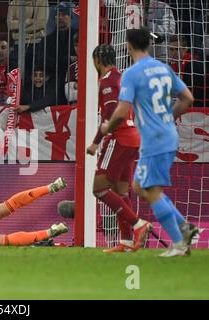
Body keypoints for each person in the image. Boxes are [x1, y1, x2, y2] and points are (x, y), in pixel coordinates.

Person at [101, 27, 198, 257]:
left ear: (128, 46)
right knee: (138, 187)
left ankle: (179, 243)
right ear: (149, 45)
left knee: (150, 191)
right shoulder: (164, 69)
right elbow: (188, 98)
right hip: (165, 134)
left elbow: (122, 110)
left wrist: (107, 127)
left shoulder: (132, 74)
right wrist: (168, 117)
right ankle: (187, 229)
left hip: (154, 138)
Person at [87, 44, 151, 253]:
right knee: (121, 192)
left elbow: (110, 111)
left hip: (119, 138)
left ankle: (138, 224)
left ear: (97, 61)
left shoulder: (108, 81)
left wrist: (96, 141)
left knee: (99, 187)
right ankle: (127, 242)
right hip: (133, 138)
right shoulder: (123, 77)